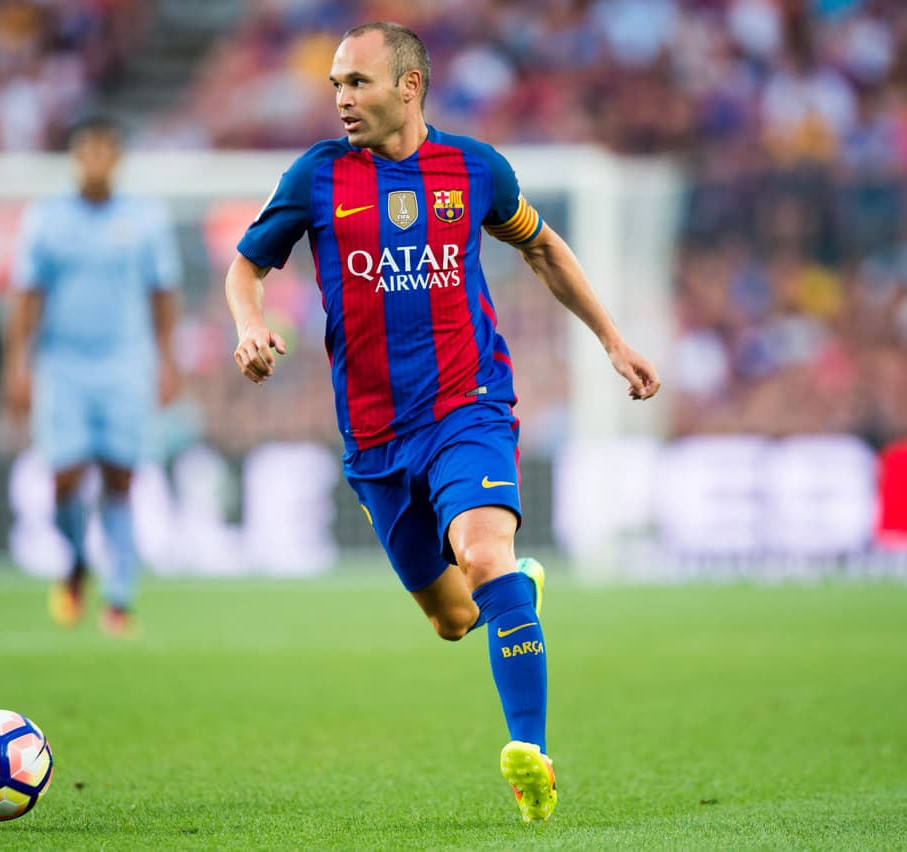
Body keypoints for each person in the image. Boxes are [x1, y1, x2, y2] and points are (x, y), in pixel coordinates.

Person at [225, 22, 660, 822]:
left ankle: (531, 752)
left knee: (486, 556)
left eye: (357, 83)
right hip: (375, 440)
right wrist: (248, 326)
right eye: (335, 86)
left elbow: (543, 247)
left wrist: (613, 338)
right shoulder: (316, 177)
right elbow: (246, 265)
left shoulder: (474, 168)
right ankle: (510, 592)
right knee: (456, 618)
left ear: (409, 86)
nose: (342, 100)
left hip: (469, 408)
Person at [3, 115, 183, 638]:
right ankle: (77, 559)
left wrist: (169, 362)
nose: (97, 160)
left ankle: (120, 598)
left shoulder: (146, 220)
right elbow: (26, 297)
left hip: (128, 361)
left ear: (119, 157)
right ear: (74, 157)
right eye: (88, 151)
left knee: (121, 477)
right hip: (62, 363)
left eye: (107, 150)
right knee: (63, 475)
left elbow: (162, 295)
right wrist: (16, 363)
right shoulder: (46, 219)